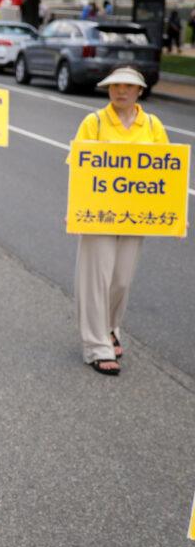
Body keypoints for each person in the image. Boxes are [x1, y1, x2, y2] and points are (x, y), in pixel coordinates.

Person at [71, 66, 169, 376]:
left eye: (129, 86)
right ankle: (96, 346)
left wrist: (175, 216)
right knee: (96, 278)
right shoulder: (95, 121)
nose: (121, 91)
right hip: (98, 212)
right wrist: (74, 207)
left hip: (135, 214)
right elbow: (79, 167)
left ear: (140, 91)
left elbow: (167, 174)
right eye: (116, 86)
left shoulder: (152, 125)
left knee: (121, 278)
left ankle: (111, 327)